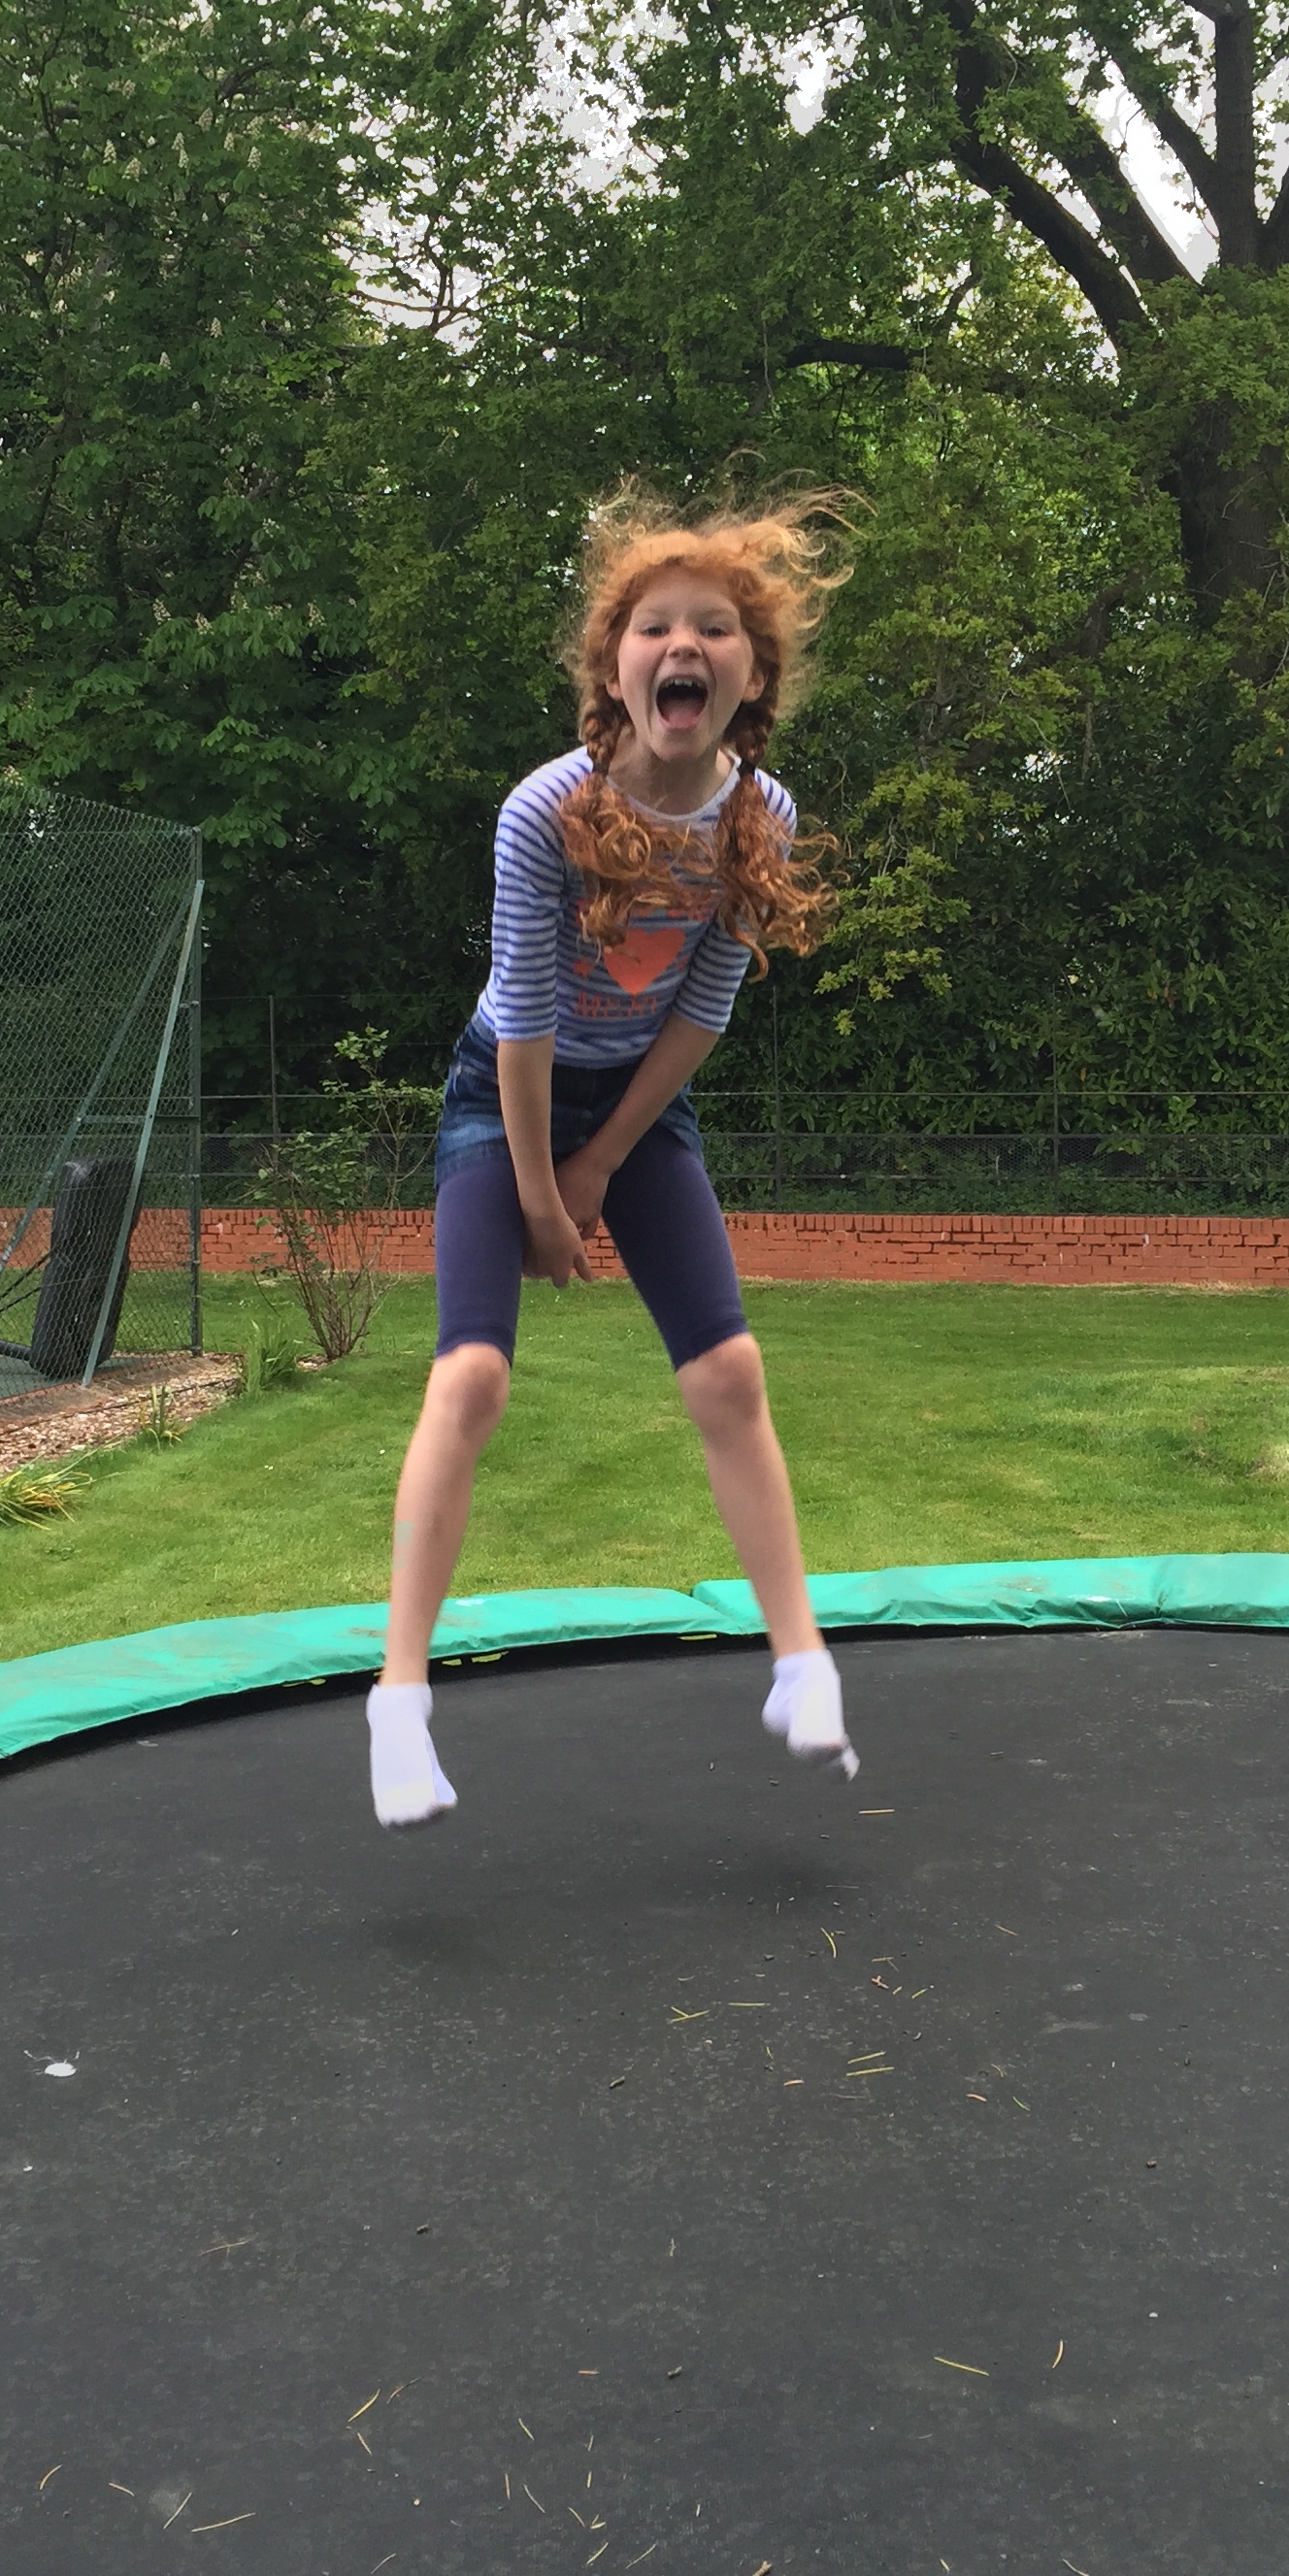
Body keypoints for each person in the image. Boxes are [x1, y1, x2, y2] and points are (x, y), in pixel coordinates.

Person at [364, 493, 860, 1828]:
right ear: (615, 666)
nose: (681, 645)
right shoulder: (549, 811)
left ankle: (801, 1664)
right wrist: (542, 1193)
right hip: (505, 1096)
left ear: (751, 676)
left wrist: (600, 1173)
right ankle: (399, 1697)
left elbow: (703, 1008)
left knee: (731, 1370)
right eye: (654, 627)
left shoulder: (761, 816)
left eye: (714, 629)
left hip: (640, 1105)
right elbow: (524, 1022)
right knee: (472, 1374)